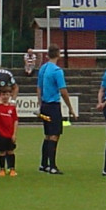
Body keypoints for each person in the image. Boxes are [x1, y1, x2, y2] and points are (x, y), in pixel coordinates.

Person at [35, 45, 75, 175]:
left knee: (47, 134)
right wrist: (70, 107)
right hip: (53, 105)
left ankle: (43, 164)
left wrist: (40, 104)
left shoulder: (43, 68)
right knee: (54, 135)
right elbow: (63, 91)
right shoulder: (57, 71)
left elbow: (39, 88)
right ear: (58, 54)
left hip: (45, 105)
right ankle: (52, 166)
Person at [0, 87, 19, 176]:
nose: (5, 96)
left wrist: (14, 134)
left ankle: (12, 169)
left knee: (10, 151)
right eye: (3, 94)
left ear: (10, 95)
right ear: (0, 95)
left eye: (7, 94)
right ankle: (2, 169)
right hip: (0, 133)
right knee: (2, 152)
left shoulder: (12, 107)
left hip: (10, 134)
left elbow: (15, 120)